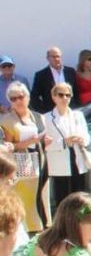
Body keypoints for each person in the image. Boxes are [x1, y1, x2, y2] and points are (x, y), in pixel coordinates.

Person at [1, 81, 51, 232]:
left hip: (41, 160)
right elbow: (8, 147)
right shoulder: (6, 120)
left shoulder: (39, 117)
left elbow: (43, 137)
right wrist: (30, 141)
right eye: (13, 98)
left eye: (20, 97)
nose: (18, 101)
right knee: (27, 199)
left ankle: (43, 229)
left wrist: (44, 141)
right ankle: (29, 232)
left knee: (42, 196)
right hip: (22, 164)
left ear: (28, 97)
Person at [43, 82, 91, 206]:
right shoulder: (46, 118)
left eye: (68, 95)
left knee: (81, 197)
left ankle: (82, 217)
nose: (65, 98)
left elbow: (87, 136)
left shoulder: (78, 115)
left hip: (78, 158)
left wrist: (82, 139)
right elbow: (45, 144)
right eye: (61, 95)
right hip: (60, 162)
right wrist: (63, 142)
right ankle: (64, 219)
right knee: (62, 198)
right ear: (54, 97)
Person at [30, 46, 78, 113]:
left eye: (58, 56)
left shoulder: (70, 71)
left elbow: (76, 91)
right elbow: (34, 97)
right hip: (51, 112)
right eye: (53, 57)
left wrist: (76, 106)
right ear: (48, 58)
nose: (57, 59)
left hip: (70, 111)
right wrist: (43, 111)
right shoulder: (41, 75)